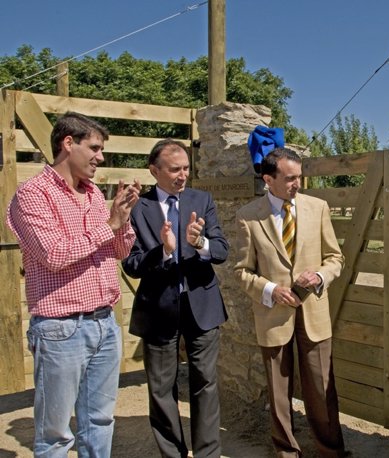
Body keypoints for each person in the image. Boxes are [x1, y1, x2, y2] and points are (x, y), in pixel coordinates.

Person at [5, 112, 141, 457]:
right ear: (68, 143)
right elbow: (54, 254)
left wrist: (123, 221)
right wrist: (109, 224)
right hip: (60, 329)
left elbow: (120, 251)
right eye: (94, 148)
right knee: (54, 434)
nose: (101, 157)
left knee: (99, 421)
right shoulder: (32, 194)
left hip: (105, 324)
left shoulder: (95, 194)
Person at [234, 147, 347, 457]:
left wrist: (321, 276)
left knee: (322, 389)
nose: (299, 183)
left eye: (300, 176)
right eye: (291, 178)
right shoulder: (248, 217)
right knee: (279, 393)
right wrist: (270, 290)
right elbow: (241, 272)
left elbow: (335, 258)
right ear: (268, 179)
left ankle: (331, 451)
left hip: (314, 315)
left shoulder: (318, 207)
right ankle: (286, 452)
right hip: (273, 316)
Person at [122, 138, 228, 458]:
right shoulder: (138, 208)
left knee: (205, 383)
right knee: (161, 388)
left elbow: (221, 250)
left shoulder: (202, 199)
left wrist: (200, 244)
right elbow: (131, 263)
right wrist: (163, 251)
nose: (182, 175)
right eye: (174, 170)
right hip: (157, 307)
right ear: (154, 170)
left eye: (186, 168)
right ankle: (173, 455)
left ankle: (207, 454)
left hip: (202, 306)